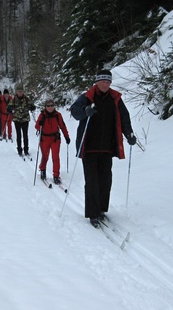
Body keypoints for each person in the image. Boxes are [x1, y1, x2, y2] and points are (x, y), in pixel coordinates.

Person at [70, 69, 136, 228]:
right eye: (103, 81)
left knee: (105, 180)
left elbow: (124, 118)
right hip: (89, 147)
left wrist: (129, 134)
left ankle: (101, 209)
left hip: (107, 147)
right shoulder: (87, 97)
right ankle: (93, 213)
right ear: (97, 82)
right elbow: (74, 111)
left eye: (108, 82)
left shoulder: (115, 98)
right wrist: (86, 111)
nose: (105, 84)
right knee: (92, 181)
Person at [35, 99, 71, 184]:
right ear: (45, 107)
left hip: (55, 139)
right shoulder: (42, 115)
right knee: (45, 156)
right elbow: (37, 127)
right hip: (44, 139)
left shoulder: (57, 115)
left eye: (52, 105)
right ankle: (42, 169)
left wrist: (66, 136)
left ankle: (56, 175)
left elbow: (62, 126)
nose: (50, 107)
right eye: (48, 106)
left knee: (55, 157)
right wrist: (39, 123)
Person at [7, 83, 36, 156]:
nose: (20, 93)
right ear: (16, 92)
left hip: (25, 119)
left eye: (21, 91)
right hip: (17, 119)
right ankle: (19, 149)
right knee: (19, 135)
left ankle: (26, 149)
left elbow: (32, 106)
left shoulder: (26, 99)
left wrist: (32, 107)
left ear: (23, 92)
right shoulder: (13, 100)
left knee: (25, 135)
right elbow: (8, 107)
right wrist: (9, 109)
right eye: (19, 91)